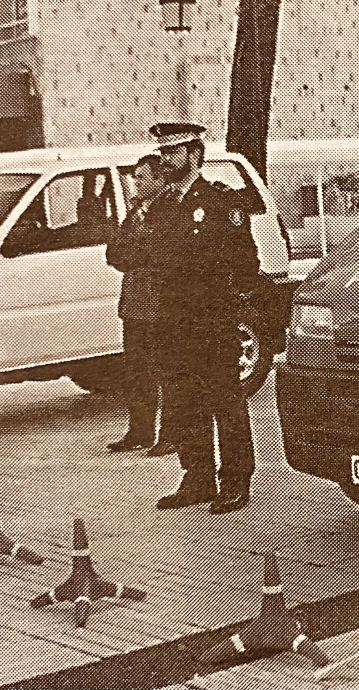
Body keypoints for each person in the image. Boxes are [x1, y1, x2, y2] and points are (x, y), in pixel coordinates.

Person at [146, 122, 260, 514]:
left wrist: (227, 305)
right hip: (174, 324)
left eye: (172, 152)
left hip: (212, 323)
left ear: (194, 155)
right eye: (162, 152)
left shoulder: (219, 203)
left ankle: (235, 479)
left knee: (225, 402)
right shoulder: (161, 207)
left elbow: (246, 262)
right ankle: (197, 477)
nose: (164, 159)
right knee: (185, 402)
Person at [105, 154, 179, 457]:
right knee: (137, 372)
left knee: (167, 372)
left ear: (160, 180)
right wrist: (136, 250)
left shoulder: (171, 209)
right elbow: (115, 255)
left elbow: (159, 253)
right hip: (135, 305)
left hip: (162, 306)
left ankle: (171, 434)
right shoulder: (135, 210)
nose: (135, 182)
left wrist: (136, 251)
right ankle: (140, 430)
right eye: (135, 176)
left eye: (142, 177)